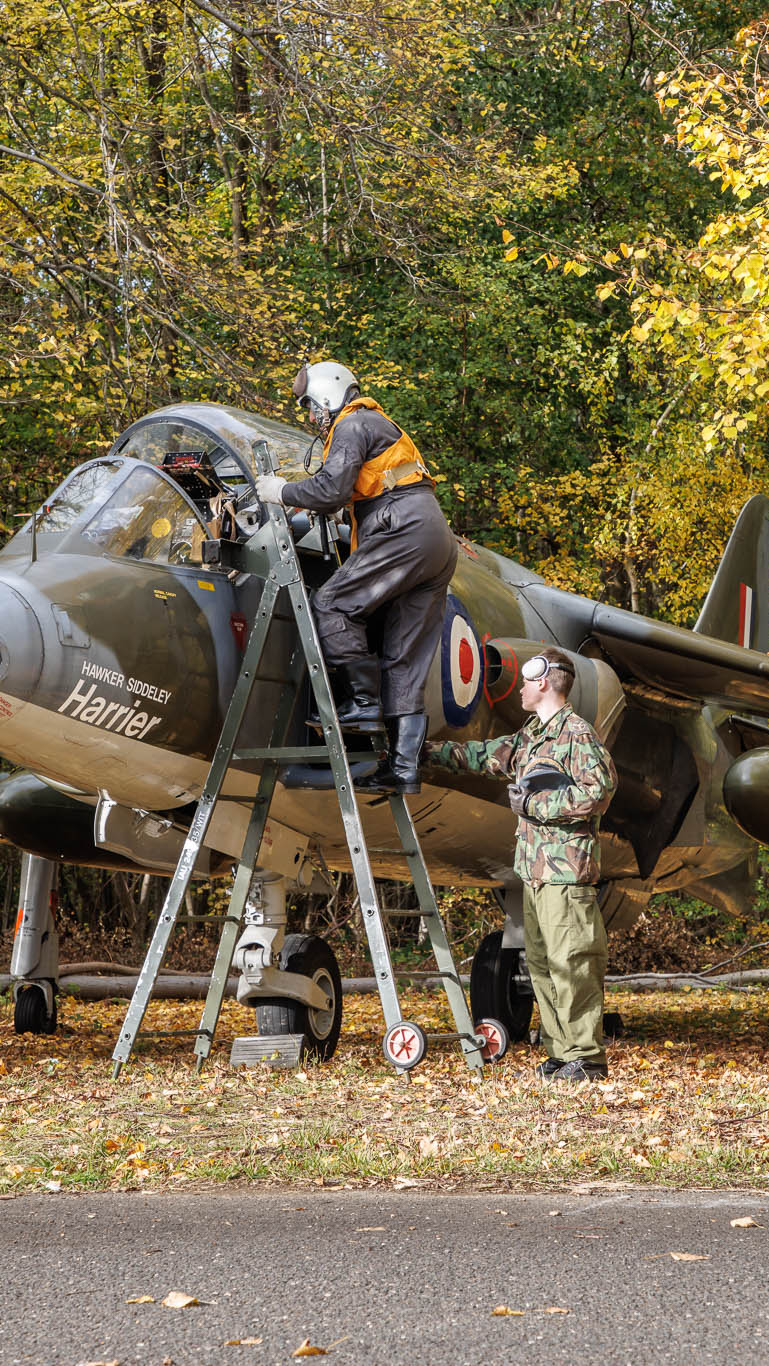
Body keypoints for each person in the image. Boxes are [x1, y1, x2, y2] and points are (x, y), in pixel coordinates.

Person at [253, 361, 457, 795]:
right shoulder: (377, 423)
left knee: (332, 604)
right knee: (403, 657)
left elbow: (330, 491)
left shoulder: (352, 422)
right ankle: (402, 771)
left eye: (310, 406)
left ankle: (362, 705)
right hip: (432, 534)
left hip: (402, 526)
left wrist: (279, 491)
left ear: (328, 393)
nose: (310, 417)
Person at [426, 649, 618, 1082]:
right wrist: (427, 751)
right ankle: (560, 1052)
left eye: (528, 683)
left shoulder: (576, 735)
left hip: (566, 872)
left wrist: (536, 803)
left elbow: (599, 791)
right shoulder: (532, 736)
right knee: (542, 964)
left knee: (573, 961)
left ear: (546, 683)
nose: (521, 690)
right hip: (534, 871)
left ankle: (586, 1057)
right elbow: (485, 756)